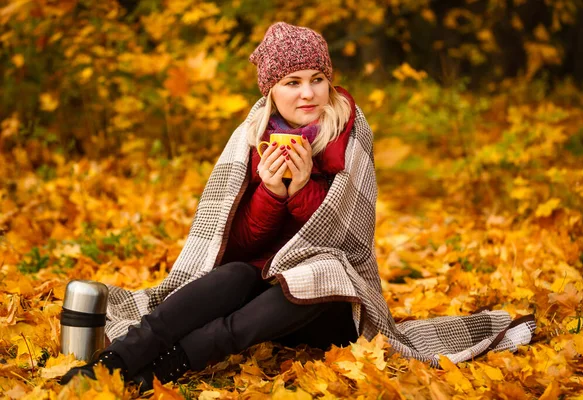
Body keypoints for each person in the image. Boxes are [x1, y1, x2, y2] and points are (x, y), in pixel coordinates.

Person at [61, 22, 536, 392]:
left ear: (330, 83)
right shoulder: (250, 141)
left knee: (316, 271)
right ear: (271, 90)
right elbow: (238, 243)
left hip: (326, 305)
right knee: (233, 275)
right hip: (259, 294)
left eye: (317, 79)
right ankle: (116, 363)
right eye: (292, 82)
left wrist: (305, 189)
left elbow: (344, 243)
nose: (307, 94)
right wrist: (270, 193)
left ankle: (167, 367)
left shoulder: (350, 139)